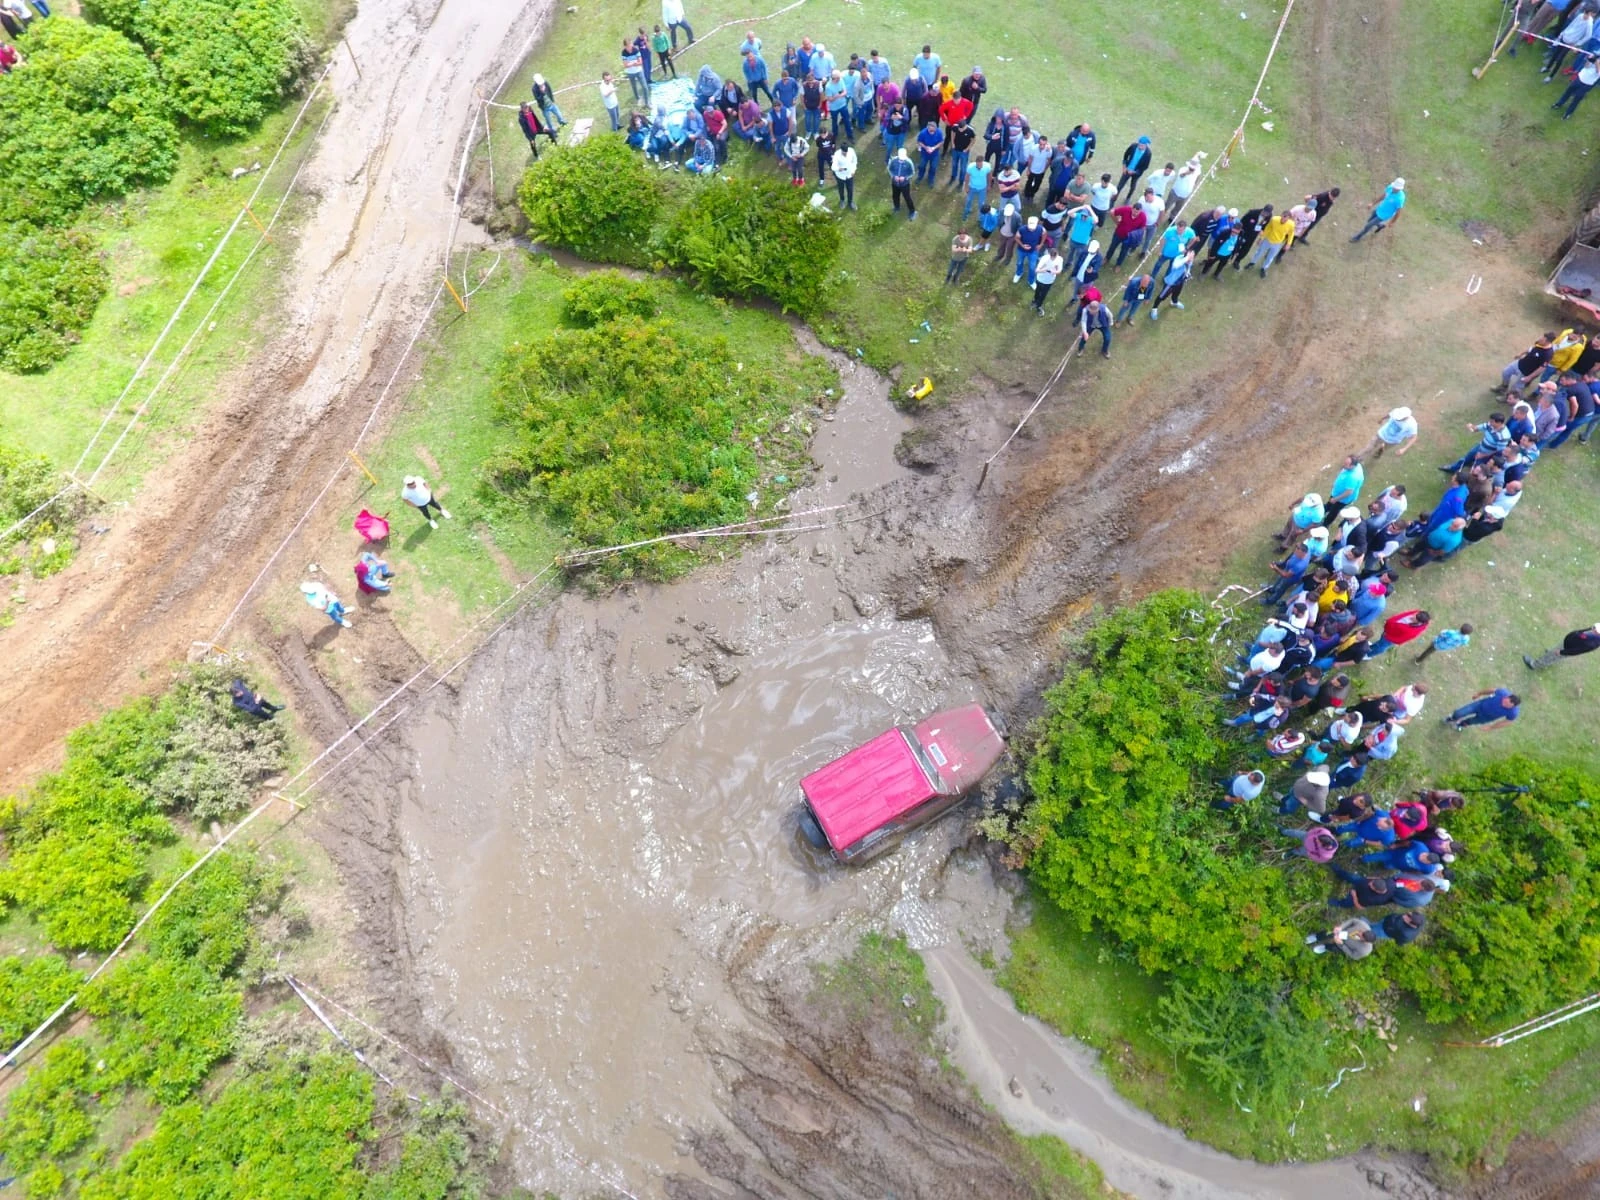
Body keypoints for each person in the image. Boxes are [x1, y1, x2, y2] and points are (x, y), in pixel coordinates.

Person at [1525, 621, 1600, 669]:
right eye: (1594, 627)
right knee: (1553, 653)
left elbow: (1577, 651)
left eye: (1595, 629)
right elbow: (1581, 632)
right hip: (1567, 643)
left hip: (1567, 649)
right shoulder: (1592, 631)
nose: (1592, 628)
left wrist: (1562, 652)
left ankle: (1533, 665)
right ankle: (1550, 654)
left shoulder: (1592, 644)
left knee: (1551, 657)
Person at [1246, 208, 1296, 276]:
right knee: (1259, 252)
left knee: (1270, 257)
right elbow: (1267, 229)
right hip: (1267, 240)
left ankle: (1264, 268)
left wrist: (1288, 244)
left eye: (1285, 217)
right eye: (1282, 216)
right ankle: (1252, 263)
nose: (1283, 218)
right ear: (1281, 215)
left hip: (1277, 244)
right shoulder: (1274, 219)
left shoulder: (1291, 225)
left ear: (1289, 218)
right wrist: (1261, 238)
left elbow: (1291, 234)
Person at [1444, 687, 1520, 732]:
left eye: (1507, 705)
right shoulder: (1502, 693)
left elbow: (1507, 722)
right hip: (1479, 706)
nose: (1504, 704)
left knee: (1470, 722)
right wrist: (1479, 693)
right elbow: (1491, 690)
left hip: (1486, 717)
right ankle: (1452, 718)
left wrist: (1491, 727)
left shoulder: (1513, 712)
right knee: (1459, 713)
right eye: (1505, 701)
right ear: (1507, 697)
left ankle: (1460, 725)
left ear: (1513, 706)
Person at [1554, 51, 1600, 118]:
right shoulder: (1596, 59)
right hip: (1579, 78)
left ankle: (1568, 113)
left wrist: (1596, 62)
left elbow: (1598, 72)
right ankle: (1559, 104)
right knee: (1568, 92)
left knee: (1577, 98)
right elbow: (1586, 66)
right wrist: (1589, 60)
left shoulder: (1597, 62)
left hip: (1587, 84)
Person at [1148, 251, 1193, 318]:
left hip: (1180, 282)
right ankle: (1154, 309)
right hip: (1171, 283)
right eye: (1190, 258)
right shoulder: (1178, 259)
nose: (1191, 259)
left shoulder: (1189, 262)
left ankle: (1174, 302)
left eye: (1192, 257)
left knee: (1176, 294)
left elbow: (1188, 269)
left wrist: (1187, 274)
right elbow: (1176, 265)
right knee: (1161, 296)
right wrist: (1187, 258)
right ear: (1186, 257)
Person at [1307, 918, 1376, 959]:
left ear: (1366, 941)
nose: (1359, 933)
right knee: (1328, 933)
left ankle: (1325, 947)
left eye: (1361, 936)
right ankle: (1316, 937)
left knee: (1334, 948)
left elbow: (1353, 955)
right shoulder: (1364, 926)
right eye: (1362, 932)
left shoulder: (1365, 951)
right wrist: (1341, 927)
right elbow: (1353, 921)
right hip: (1342, 931)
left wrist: (1342, 944)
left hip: (1343, 945)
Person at [1117, 135, 1152, 201]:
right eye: (1139, 144)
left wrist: (1134, 172)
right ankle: (1114, 198)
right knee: (1119, 186)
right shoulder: (1133, 146)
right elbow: (1126, 155)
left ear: (1146, 145)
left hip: (1136, 173)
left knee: (1132, 187)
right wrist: (1124, 166)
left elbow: (1145, 166)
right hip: (1127, 170)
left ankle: (1128, 198)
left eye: (1142, 146)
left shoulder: (1148, 153)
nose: (1140, 147)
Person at [1013, 216, 1045, 286]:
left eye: (1033, 228)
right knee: (1019, 262)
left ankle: (1031, 281)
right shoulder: (1022, 229)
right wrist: (1022, 245)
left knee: (1032, 267)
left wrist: (1041, 244)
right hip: (1021, 250)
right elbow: (1016, 237)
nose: (1031, 229)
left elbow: (1044, 234)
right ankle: (1019, 273)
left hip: (1033, 251)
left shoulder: (1041, 229)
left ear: (1037, 224)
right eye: (1030, 227)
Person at [1032, 247, 1064, 315]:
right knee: (1037, 291)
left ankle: (1039, 305)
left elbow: (1059, 271)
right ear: (1049, 255)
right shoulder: (1044, 259)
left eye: (1054, 257)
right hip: (1040, 279)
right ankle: (1035, 301)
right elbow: (1036, 270)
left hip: (1049, 281)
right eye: (1052, 257)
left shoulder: (1060, 259)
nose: (1053, 259)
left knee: (1043, 294)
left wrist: (1054, 272)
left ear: (1057, 254)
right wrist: (1044, 270)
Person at [962, 154, 993, 221]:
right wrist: (966, 187)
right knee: (969, 200)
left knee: (981, 203)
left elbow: (989, 176)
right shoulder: (970, 167)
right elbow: (967, 177)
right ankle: (966, 212)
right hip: (972, 187)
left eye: (981, 164)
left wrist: (989, 185)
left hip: (982, 188)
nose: (979, 166)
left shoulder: (987, 166)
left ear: (983, 162)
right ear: (976, 162)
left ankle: (981, 216)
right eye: (978, 164)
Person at [888, 147, 916, 219]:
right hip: (895, 183)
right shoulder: (893, 160)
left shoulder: (909, 162)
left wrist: (905, 177)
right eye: (900, 159)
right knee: (895, 196)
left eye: (903, 159)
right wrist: (893, 176)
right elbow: (889, 169)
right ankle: (896, 207)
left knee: (907, 198)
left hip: (905, 184)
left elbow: (912, 173)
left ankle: (912, 211)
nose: (902, 160)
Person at [832, 140, 857, 209]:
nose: (845, 154)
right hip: (840, 176)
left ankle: (850, 202)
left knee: (850, 189)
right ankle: (842, 200)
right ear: (841, 150)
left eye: (846, 153)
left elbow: (855, 161)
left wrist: (853, 170)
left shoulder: (851, 151)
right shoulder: (837, 154)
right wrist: (839, 169)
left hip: (849, 175)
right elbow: (833, 166)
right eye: (844, 153)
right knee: (841, 189)